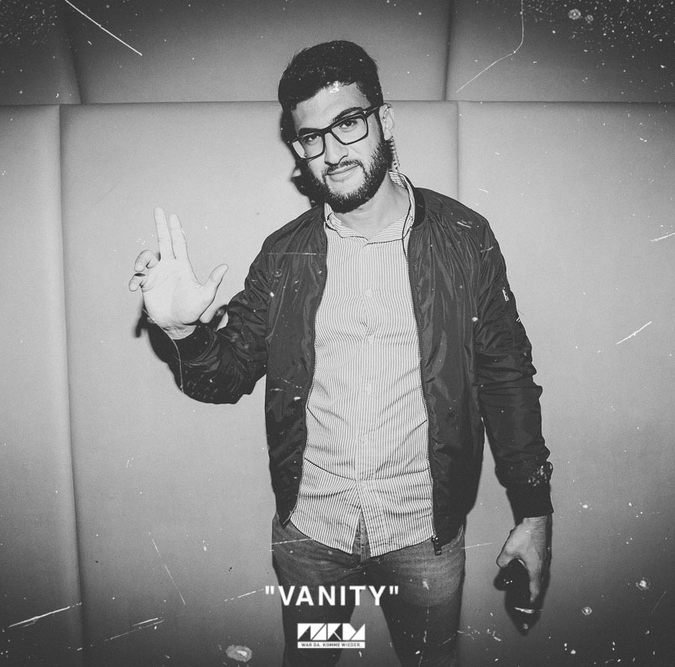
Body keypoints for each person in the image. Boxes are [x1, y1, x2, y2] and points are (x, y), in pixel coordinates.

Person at [128, 40, 553, 667]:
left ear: (385, 121)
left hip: (423, 536)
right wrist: (183, 330)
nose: (331, 152)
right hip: (312, 540)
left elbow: (507, 377)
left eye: (348, 123)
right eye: (311, 137)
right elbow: (225, 376)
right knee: (317, 660)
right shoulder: (284, 255)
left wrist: (534, 513)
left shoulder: (464, 238)